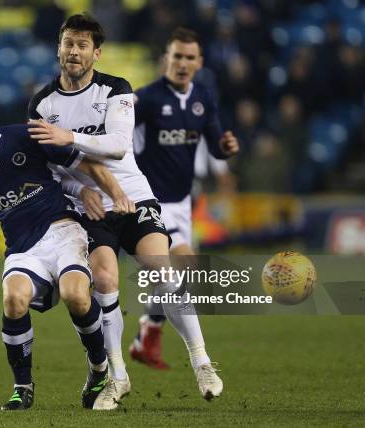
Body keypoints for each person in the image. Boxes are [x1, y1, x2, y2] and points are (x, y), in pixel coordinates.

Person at [27, 14, 230, 406]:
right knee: (104, 280)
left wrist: (68, 136)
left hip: (133, 195)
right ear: (59, 47)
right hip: (90, 207)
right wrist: (77, 189)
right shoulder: (42, 103)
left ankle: (201, 361)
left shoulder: (116, 89)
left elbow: (119, 145)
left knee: (161, 267)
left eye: (82, 45)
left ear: (96, 53)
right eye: (68, 43)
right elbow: (47, 168)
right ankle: (118, 376)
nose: (74, 51)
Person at [0, 93, 136, 411]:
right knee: (13, 298)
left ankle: (99, 369)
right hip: (23, 250)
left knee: (76, 294)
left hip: (64, 232)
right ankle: (22, 387)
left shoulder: (24, 136)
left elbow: (84, 162)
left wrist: (116, 194)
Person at [129, 28, 239, 374]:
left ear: (199, 62)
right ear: (167, 59)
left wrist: (227, 146)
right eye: (177, 56)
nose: (182, 63)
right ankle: (169, 344)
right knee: (186, 266)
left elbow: (215, 141)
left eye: (189, 57)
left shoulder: (203, 98)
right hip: (151, 203)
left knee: (177, 278)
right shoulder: (146, 99)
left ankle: (148, 333)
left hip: (182, 203)